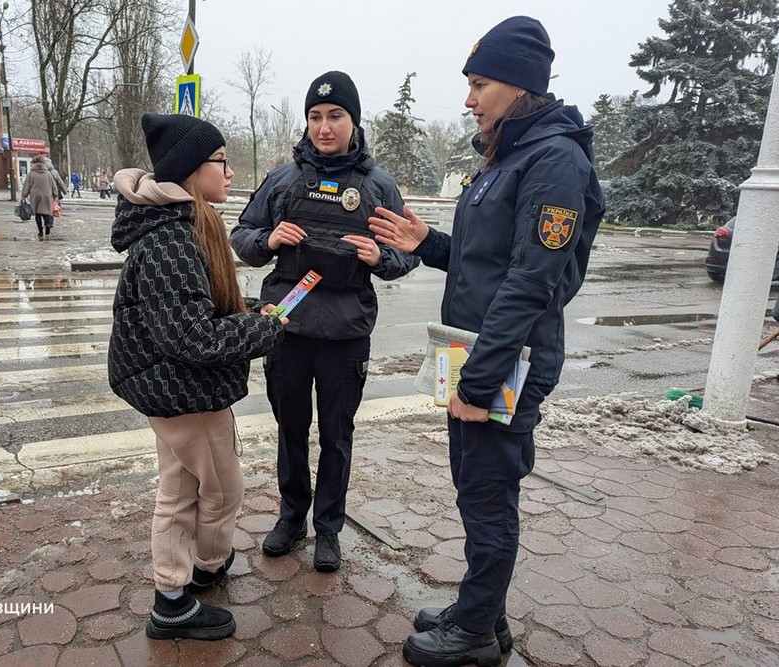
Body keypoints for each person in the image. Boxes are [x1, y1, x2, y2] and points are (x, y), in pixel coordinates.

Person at [369, 17, 604, 667]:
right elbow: (487, 260)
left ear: (520, 85)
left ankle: (473, 635)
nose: (469, 99)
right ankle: (483, 612)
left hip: (504, 362)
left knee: (487, 496)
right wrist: (429, 245)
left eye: (480, 84)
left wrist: (479, 382)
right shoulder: (513, 156)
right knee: (475, 489)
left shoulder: (555, 160)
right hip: (474, 351)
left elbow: (531, 282)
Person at [107, 113, 286, 641]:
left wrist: (250, 311)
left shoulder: (183, 228)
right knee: (223, 490)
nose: (230, 173)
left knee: (180, 488)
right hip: (185, 393)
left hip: (175, 389)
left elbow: (195, 309)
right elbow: (192, 339)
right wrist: (266, 333)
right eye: (222, 162)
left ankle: (178, 586)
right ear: (191, 171)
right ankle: (194, 580)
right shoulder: (172, 242)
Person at [230, 71, 419, 573]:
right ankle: (292, 516)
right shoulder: (284, 179)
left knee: (336, 434)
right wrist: (268, 241)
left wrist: (380, 256)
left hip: (345, 333)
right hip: (286, 325)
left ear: (354, 122)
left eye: (335, 116)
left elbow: (408, 254)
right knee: (290, 428)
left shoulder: (377, 186)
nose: (324, 127)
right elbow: (242, 233)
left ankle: (328, 528)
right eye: (315, 116)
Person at [21, 154, 58, 239]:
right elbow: (54, 186)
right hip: (47, 196)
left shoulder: (31, 173)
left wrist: (24, 196)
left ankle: (40, 231)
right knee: (46, 212)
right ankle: (48, 224)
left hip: (35, 196)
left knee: (38, 214)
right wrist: (54, 195)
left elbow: (27, 186)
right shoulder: (48, 173)